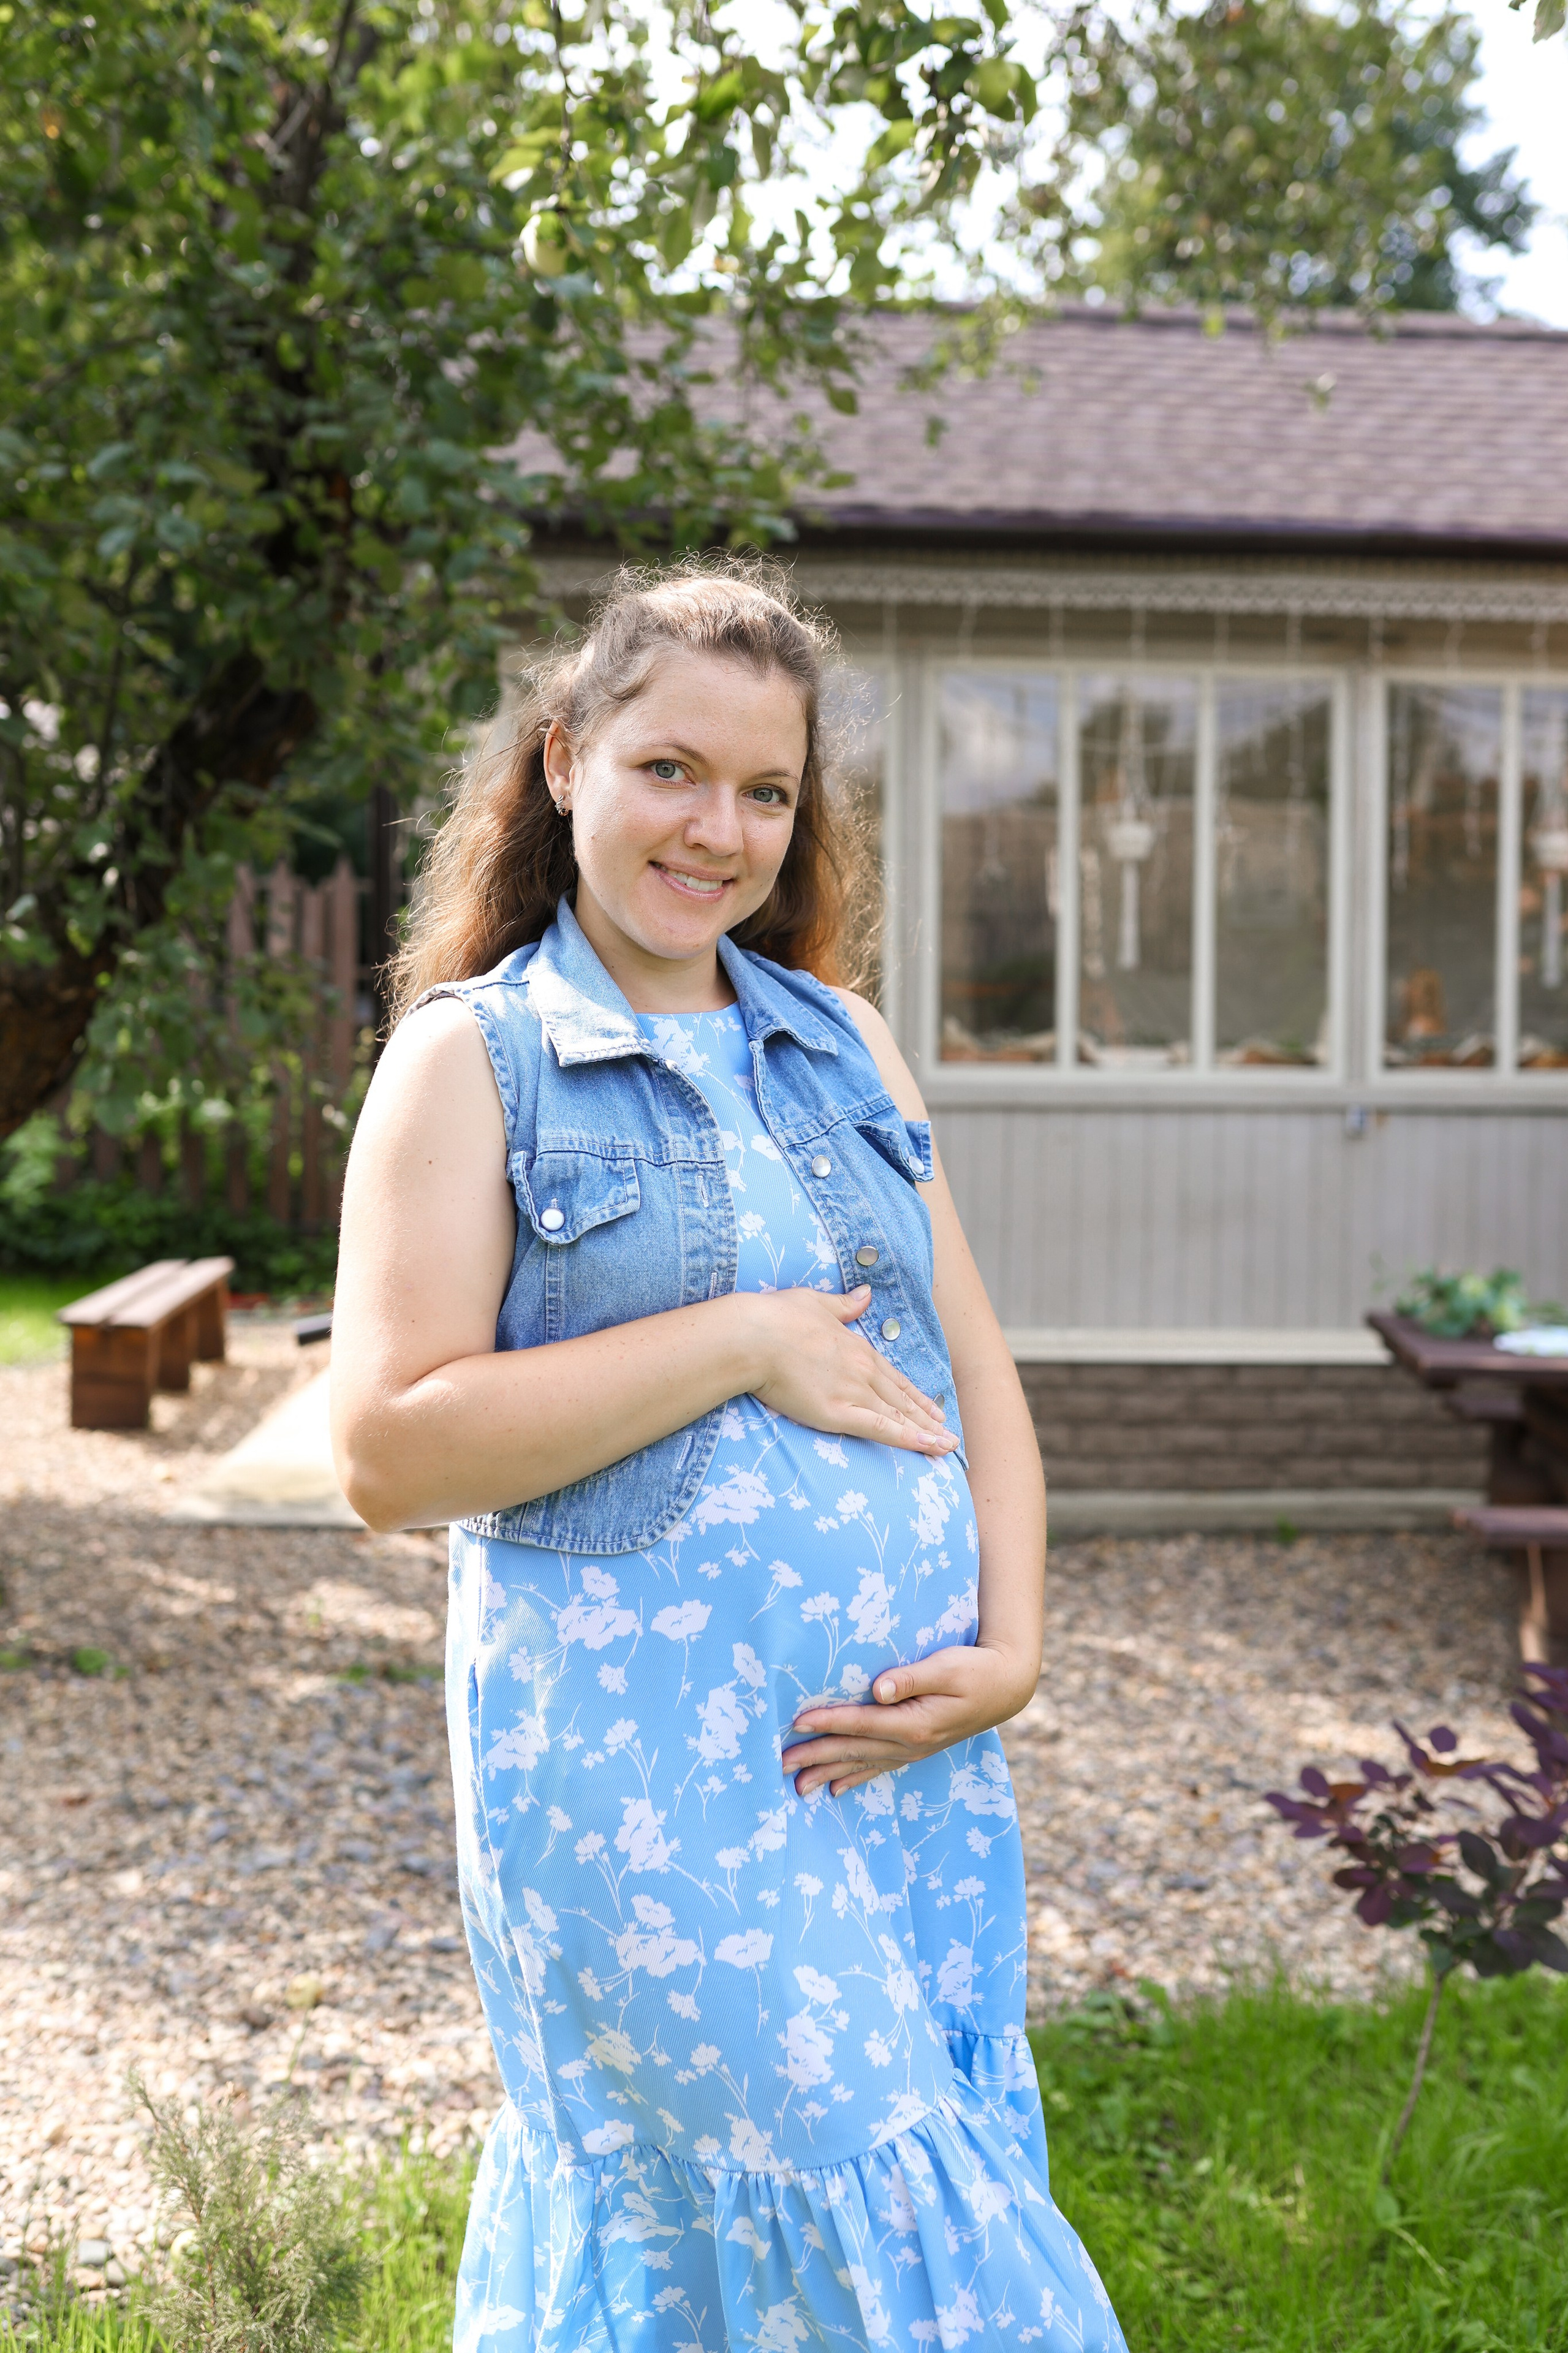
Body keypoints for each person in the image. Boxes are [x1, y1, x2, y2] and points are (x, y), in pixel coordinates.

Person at [331, 563, 1127, 2353]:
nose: (721, 829)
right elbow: (385, 1452)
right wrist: (743, 1339)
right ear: (562, 763)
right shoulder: (479, 1062)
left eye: (767, 791)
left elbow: (972, 1371)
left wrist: (1012, 1651)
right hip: (646, 1794)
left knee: (830, 2237)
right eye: (671, 770)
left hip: (895, 1769)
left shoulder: (835, 1036)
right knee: (897, 2236)